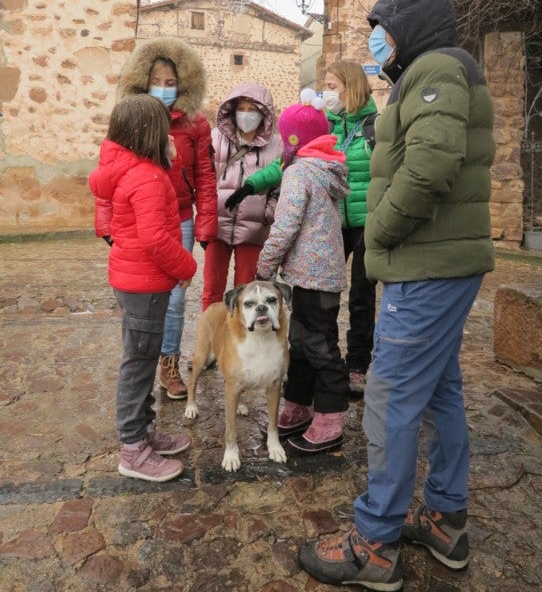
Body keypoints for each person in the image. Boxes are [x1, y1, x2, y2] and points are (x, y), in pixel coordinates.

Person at [298, 0, 495, 591]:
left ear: (407, 25)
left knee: (388, 397)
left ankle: (375, 544)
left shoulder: (435, 70)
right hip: (437, 261)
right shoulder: (431, 72)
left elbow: (429, 166)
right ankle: (444, 517)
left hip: (426, 262)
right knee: (439, 391)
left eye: (379, 28)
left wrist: (377, 232)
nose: (374, 42)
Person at [226, 61, 378, 396]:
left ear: (351, 87)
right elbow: (291, 164)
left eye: (333, 85)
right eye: (325, 86)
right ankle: (317, 365)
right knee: (323, 291)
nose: (327, 92)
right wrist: (251, 186)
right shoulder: (326, 126)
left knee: (362, 296)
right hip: (334, 223)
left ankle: (356, 364)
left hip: (367, 219)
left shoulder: (374, 127)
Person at [89, 95, 198, 482]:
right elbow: (155, 238)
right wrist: (187, 265)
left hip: (136, 281)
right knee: (138, 364)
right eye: (165, 130)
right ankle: (132, 448)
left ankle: (144, 430)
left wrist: (171, 158)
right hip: (145, 284)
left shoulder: (139, 170)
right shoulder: (146, 177)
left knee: (144, 357)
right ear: (152, 133)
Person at [107, 37, 218, 400]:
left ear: (184, 85)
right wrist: (104, 221)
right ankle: (141, 362)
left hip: (181, 216)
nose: (165, 89)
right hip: (138, 215)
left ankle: (168, 364)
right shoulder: (129, 118)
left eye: (172, 83)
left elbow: (205, 172)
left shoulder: (195, 124)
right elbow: (109, 170)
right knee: (141, 294)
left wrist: (206, 222)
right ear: (142, 80)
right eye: (158, 81)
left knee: (175, 297)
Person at [256, 90, 350, 454]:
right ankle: (297, 403)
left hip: (313, 278)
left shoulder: (298, 174)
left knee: (321, 346)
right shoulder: (322, 171)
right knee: (301, 342)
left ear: (294, 139)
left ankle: (330, 416)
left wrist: (265, 266)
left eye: (283, 136)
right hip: (313, 276)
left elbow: (285, 226)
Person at [202, 82, 282, 311]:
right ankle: (214, 340)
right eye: (242, 108)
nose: (246, 115)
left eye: (252, 110)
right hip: (217, 225)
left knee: (247, 291)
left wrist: (267, 215)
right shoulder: (215, 138)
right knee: (212, 290)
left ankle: (241, 341)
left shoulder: (276, 145)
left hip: (254, 228)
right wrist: (208, 212)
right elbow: (205, 178)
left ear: (264, 113)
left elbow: (279, 187)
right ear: (232, 110)